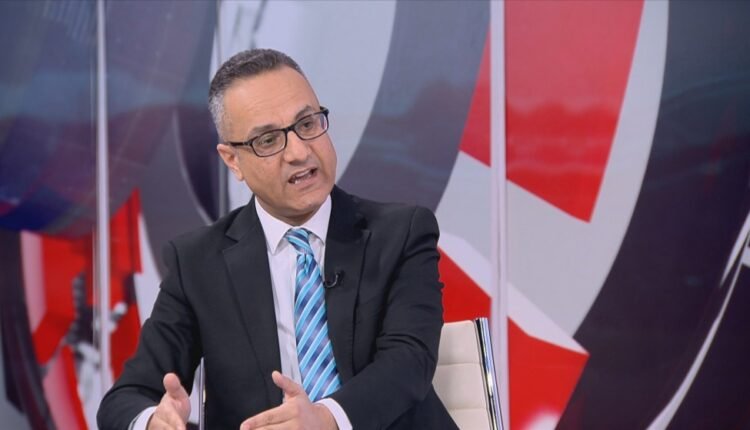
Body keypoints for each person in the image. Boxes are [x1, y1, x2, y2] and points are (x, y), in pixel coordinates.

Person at [97, 48, 457, 430]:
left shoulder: (401, 233)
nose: (300, 152)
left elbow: (409, 360)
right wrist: (153, 422)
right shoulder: (197, 264)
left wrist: (325, 419)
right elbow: (125, 399)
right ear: (232, 160)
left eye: (307, 123)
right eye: (268, 140)